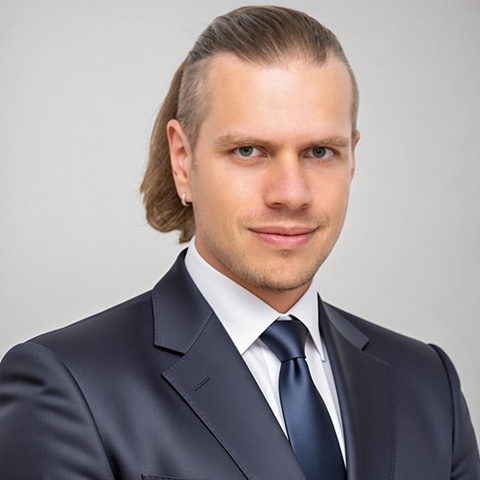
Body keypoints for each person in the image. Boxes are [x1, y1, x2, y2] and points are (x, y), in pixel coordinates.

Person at [0, 5, 478, 479]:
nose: (292, 194)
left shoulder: (428, 383)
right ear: (183, 160)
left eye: (319, 152)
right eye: (248, 151)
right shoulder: (67, 386)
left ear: (352, 158)